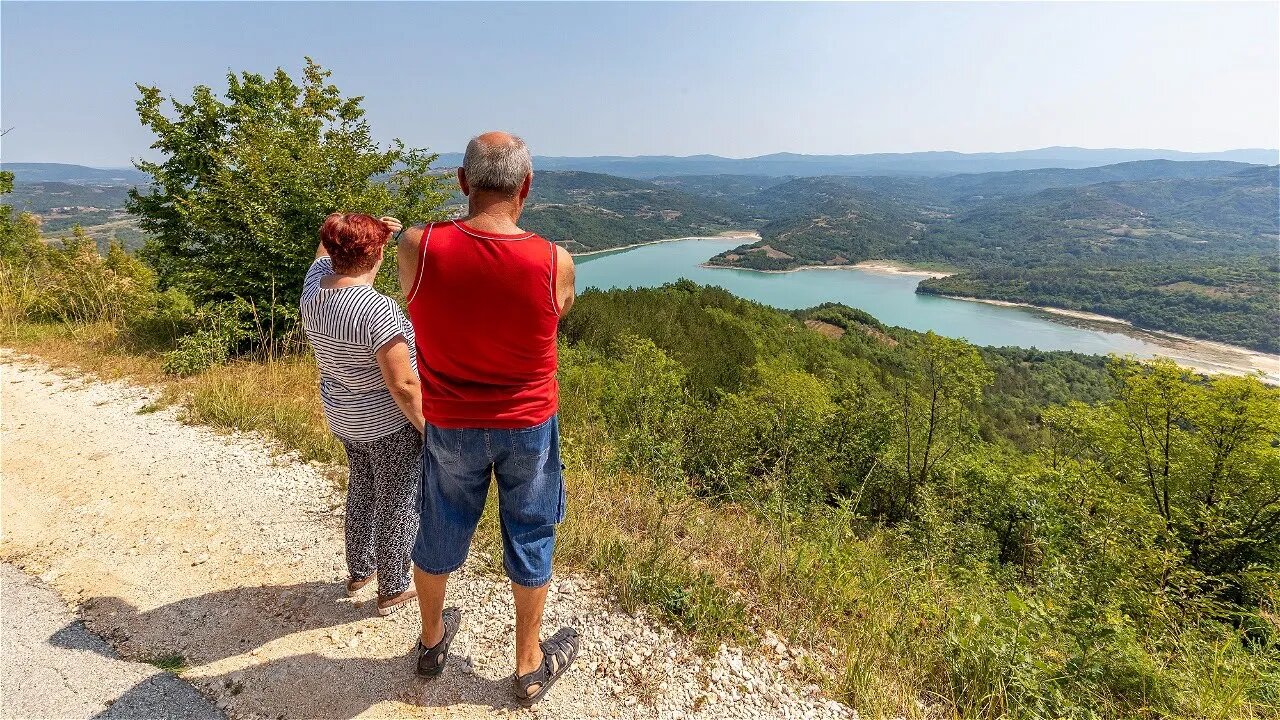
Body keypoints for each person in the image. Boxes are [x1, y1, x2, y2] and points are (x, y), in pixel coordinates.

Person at [398, 132, 579, 703]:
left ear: (462, 181)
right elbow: (559, 313)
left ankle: (430, 643)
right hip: (528, 423)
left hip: (450, 422)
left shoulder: (417, 247)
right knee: (530, 528)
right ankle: (528, 665)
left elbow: (412, 300)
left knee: (440, 523)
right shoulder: (554, 261)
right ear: (526, 186)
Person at [300, 212, 424, 616]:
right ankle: (393, 587)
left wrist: (352, 227)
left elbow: (323, 251)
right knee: (398, 500)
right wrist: (429, 428)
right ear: (377, 255)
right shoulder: (376, 310)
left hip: (345, 417)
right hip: (388, 424)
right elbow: (403, 385)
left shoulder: (312, 289)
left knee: (364, 488)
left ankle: (359, 570)